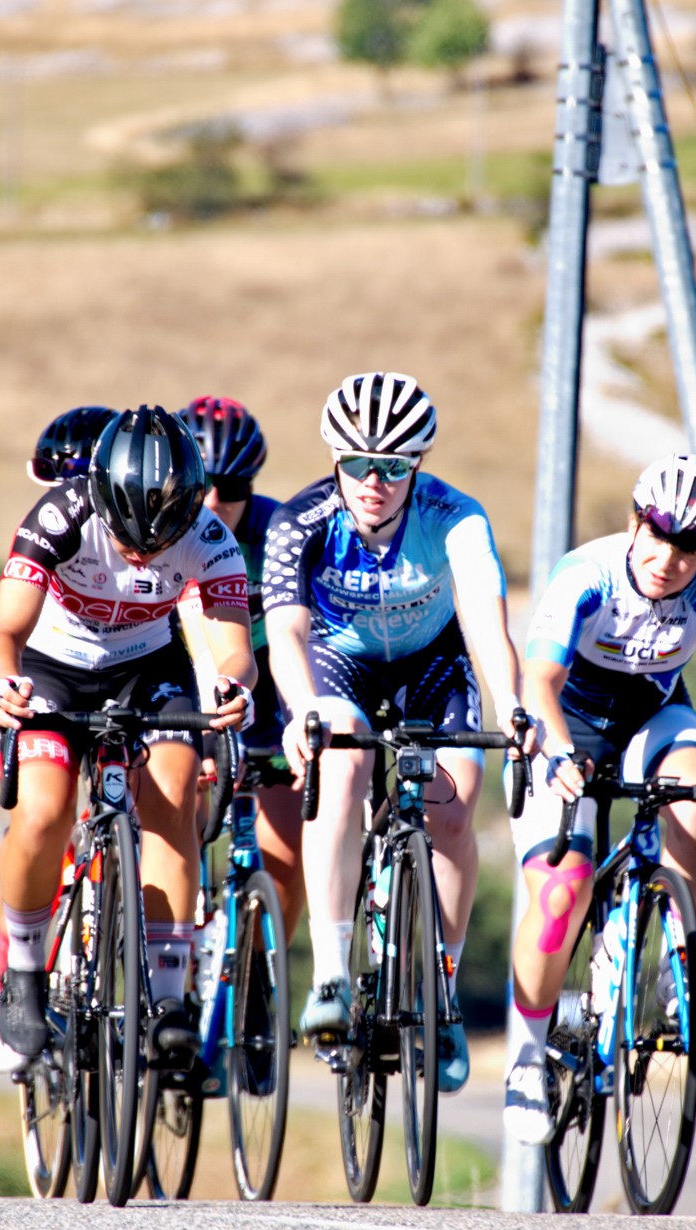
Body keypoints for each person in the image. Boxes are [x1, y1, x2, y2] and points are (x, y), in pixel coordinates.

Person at [498, 456, 696, 1143]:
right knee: (562, 888)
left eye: (688, 546)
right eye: (657, 534)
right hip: (564, 723)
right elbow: (539, 678)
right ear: (636, 521)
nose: (667, 557)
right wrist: (562, 751)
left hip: (652, 718)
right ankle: (527, 1054)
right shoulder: (587, 572)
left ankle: (670, 971)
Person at [264, 371, 525, 1094]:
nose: (373, 481)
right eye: (356, 464)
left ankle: (440, 993)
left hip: (431, 660)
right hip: (340, 663)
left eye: (393, 466)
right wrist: (303, 709)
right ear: (334, 460)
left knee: (453, 805)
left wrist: (514, 707)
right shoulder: (300, 520)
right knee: (342, 768)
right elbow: (286, 630)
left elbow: (483, 621)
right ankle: (332, 974)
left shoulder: (456, 516)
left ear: (420, 464)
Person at [0, 405, 253, 1076]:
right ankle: (21, 970)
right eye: (129, 540)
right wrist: (4, 683)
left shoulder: (211, 535)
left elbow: (232, 649)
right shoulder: (57, 517)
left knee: (173, 788)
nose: (143, 552)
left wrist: (232, 689)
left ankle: (165, 998)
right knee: (42, 812)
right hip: (52, 667)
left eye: (160, 542)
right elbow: (4, 635)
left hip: (145, 667)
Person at [178, 395, 307, 942]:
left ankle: (259, 976)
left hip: (263, 693)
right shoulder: (162, 529)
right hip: (180, 683)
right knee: (175, 820)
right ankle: (172, 973)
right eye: (202, 484)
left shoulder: (279, 531)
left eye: (231, 489)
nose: (214, 501)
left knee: (284, 851)